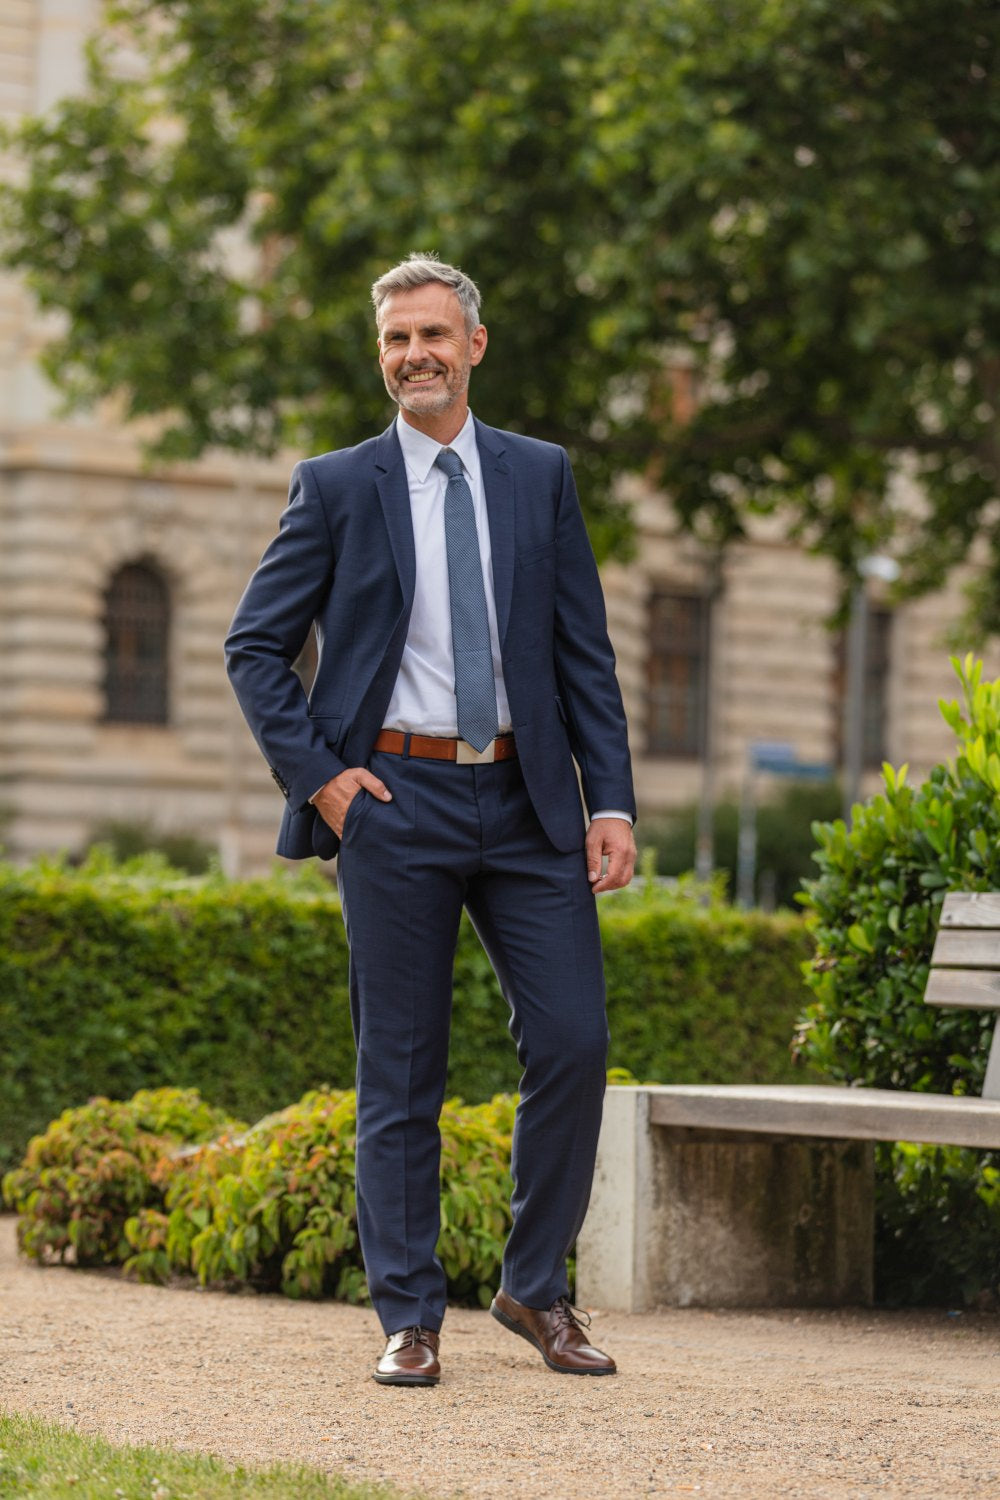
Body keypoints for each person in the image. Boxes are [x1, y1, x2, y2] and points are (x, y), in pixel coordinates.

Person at [225, 253, 637, 1386]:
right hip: (392, 805)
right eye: (397, 339)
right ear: (382, 356)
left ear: (474, 345)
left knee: (573, 1043)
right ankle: (408, 1316)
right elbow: (253, 647)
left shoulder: (538, 474)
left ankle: (533, 1287)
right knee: (399, 1068)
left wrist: (610, 800)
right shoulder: (338, 484)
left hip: (527, 800)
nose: (415, 355)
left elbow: (581, 654)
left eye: (433, 336)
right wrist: (323, 780)